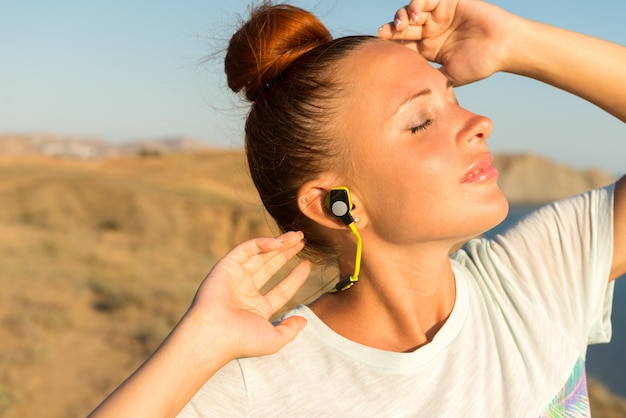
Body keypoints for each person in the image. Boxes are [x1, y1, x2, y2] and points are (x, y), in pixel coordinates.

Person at [89, 0, 626, 416]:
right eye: (421, 122)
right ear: (334, 205)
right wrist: (197, 347)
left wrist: (515, 41)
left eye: (454, 99)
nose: (479, 123)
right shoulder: (263, 385)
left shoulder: (534, 281)